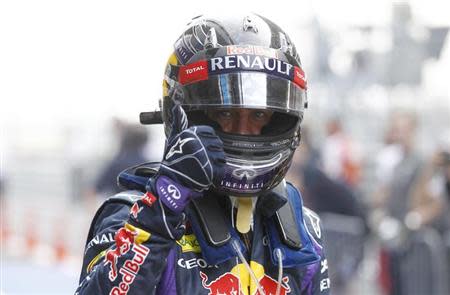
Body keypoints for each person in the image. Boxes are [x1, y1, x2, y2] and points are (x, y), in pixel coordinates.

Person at [76, 14, 330, 295]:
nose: (243, 131)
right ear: (185, 115)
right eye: (225, 113)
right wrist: (160, 212)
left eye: (259, 115)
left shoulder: (304, 229)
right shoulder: (131, 214)